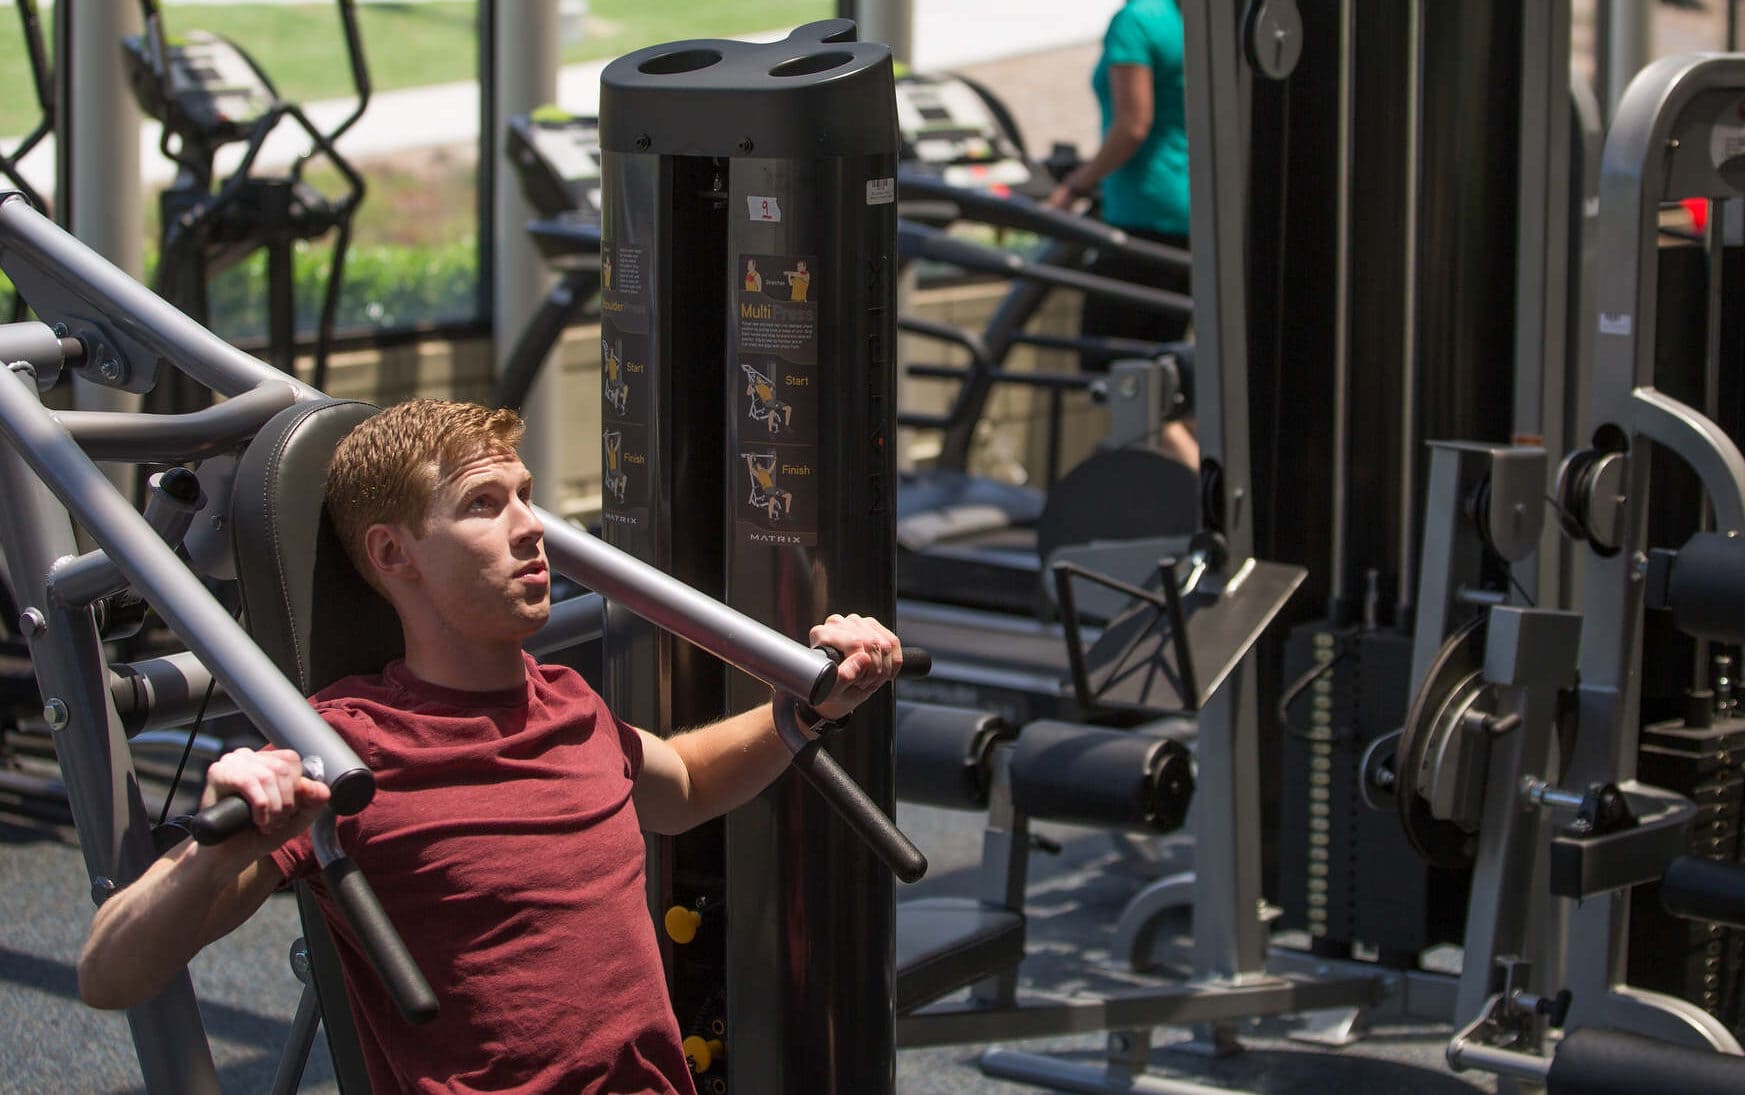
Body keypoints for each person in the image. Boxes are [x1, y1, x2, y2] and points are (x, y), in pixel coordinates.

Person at [75, 399, 904, 1094]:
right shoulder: (344, 749)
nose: (531, 528)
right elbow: (109, 973)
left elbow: (682, 783)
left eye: (526, 495)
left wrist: (806, 709)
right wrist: (220, 851)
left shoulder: (568, 705)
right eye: (483, 504)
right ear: (393, 553)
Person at [1046, 0, 1198, 470]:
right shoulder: (1192, 18)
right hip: (1189, 217)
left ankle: (1203, 494)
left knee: (1117, 373)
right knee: (1160, 376)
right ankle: (1164, 503)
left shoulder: (1137, 19)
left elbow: (1132, 126)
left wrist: (1075, 186)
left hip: (1141, 215)